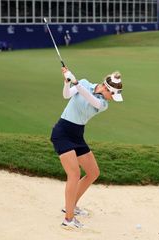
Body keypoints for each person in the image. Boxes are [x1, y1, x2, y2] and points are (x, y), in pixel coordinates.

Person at [50, 67, 123, 230]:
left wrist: (75, 82)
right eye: (113, 95)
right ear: (107, 88)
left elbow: (90, 99)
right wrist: (67, 83)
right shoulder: (84, 83)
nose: (112, 99)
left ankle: (71, 205)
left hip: (77, 135)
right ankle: (68, 219)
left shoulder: (102, 104)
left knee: (93, 172)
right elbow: (66, 95)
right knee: (74, 174)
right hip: (62, 132)